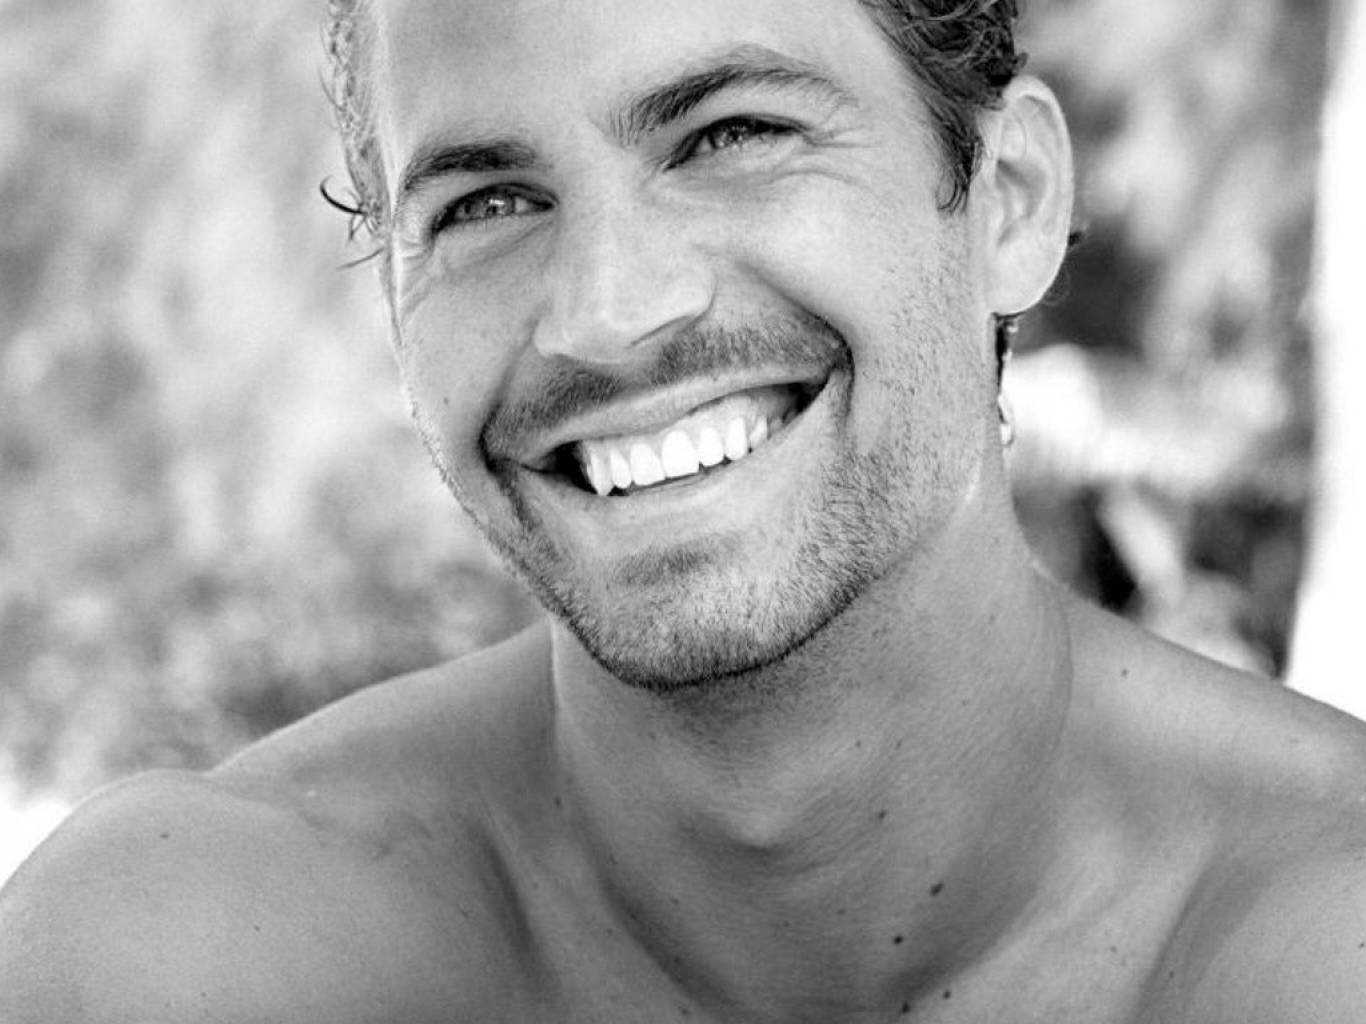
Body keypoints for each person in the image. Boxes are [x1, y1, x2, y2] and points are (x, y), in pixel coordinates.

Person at [2, 0, 1363, 1020]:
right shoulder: (181, 964)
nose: (604, 313)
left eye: (729, 136)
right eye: (487, 201)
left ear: (1007, 203)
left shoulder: (1315, 933)